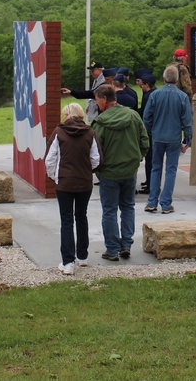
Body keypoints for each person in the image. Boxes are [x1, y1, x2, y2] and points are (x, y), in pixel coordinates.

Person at [92, 85, 150, 261]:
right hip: (129, 171)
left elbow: (95, 151)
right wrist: (137, 159)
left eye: (96, 99)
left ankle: (112, 249)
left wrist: (98, 170)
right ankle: (126, 245)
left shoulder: (100, 123)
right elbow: (145, 141)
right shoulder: (133, 116)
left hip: (109, 173)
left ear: (103, 99)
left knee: (109, 210)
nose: (96, 103)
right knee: (128, 207)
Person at [44, 102, 101, 275]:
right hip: (84, 181)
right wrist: (86, 171)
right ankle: (82, 256)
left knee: (66, 220)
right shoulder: (90, 132)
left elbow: (50, 159)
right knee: (81, 216)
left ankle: (68, 262)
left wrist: (55, 176)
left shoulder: (59, 132)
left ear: (66, 115)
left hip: (65, 182)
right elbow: (96, 159)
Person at [142, 65, 193, 214]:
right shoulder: (182, 96)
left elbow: (146, 117)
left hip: (157, 136)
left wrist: (151, 131)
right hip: (174, 138)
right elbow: (187, 121)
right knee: (171, 170)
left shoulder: (155, 95)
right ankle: (166, 203)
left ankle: (152, 201)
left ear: (164, 79)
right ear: (177, 79)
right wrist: (187, 139)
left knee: (155, 168)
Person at [134, 68, 157, 194]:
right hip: (152, 130)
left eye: (141, 83)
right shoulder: (151, 93)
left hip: (150, 131)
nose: (140, 85)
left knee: (150, 160)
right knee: (150, 159)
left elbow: (147, 113)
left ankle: (150, 185)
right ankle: (149, 182)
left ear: (146, 84)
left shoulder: (150, 96)